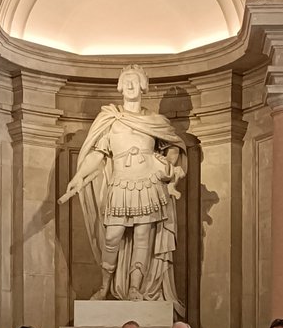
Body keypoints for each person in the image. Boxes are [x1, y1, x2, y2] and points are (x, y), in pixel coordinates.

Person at [58, 64, 187, 311]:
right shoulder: (110, 119)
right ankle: (105, 287)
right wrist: (79, 176)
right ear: (120, 85)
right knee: (111, 237)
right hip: (120, 184)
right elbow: (98, 154)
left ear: (143, 86)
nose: (129, 84)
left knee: (142, 238)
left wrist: (166, 166)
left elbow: (174, 146)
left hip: (148, 184)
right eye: (126, 79)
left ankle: (135, 288)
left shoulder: (155, 121)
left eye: (135, 80)